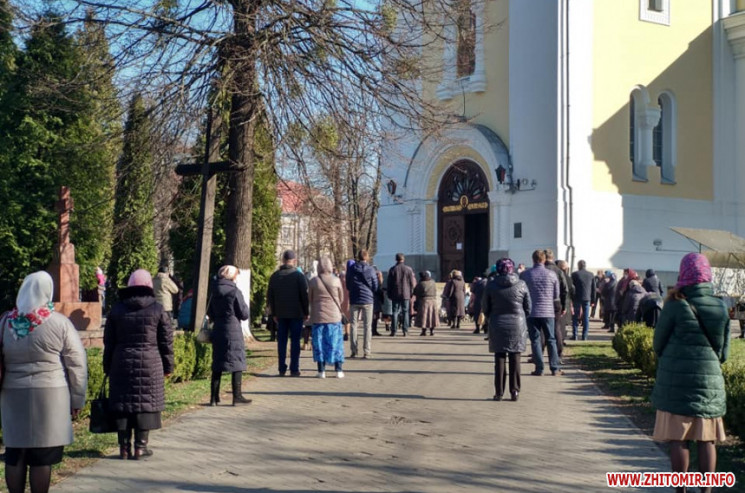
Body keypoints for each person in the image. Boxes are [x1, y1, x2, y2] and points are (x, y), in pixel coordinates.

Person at [1, 272, 87, 493]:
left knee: (15, 453)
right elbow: (76, 363)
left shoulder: (4, 323)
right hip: (51, 395)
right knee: (42, 457)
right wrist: (77, 398)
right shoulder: (60, 323)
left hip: (13, 393)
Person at [651, 253, 730, 493]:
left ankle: (681, 491)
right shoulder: (720, 306)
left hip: (677, 382)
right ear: (707, 275)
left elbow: (658, 345)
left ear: (683, 273)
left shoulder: (675, 304)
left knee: (679, 439)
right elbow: (724, 355)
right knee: (707, 440)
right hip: (709, 384)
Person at [104, 269, 174, 460]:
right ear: (149, 286)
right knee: (144, 404)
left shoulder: (116, 310)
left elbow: (108, 342)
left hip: (121, 362)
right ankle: (140, 448)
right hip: (150, 362)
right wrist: (168, 366)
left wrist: (107, 366)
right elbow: (166, 342)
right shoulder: (158, 309)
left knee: (123, 405)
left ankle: (124, 448)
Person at [482, 258, 531, 401]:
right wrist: (521, 317)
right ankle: (514, 390)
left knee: (499, 359)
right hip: (517, 324)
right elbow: (528, 307)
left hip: (498, 323)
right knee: (515, 358)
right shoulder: (521, 284)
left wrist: (491, 317)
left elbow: (485, 307)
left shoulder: (491, 285)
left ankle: (499, 392)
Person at [208, 265, 252, 406]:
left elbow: (210, 312)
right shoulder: (234, 291)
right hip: (233, 329)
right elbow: (244, 314)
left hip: (218, 329)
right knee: (237, 362)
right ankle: (237, 397)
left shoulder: (214, 291)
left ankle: (214, 398)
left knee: (217, 363)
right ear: (233, 276)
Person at [267, 250, 310, 376]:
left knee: (282, 341)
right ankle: (294, 368)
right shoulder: (298, 276)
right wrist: (306, 312)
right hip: (296, 313)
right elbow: (304, 296)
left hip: (280, 314)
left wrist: (273, 313)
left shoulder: (275, 276)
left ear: (282, 260)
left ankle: (281, 368)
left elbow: (270, 296)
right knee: (295, 341)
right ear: (294, 260)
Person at [520, 250, 561, 376]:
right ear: (544, 260)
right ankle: (555, 368)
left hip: (531, 312)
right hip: (548, 311)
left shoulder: (525, 275)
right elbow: (556, 294)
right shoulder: (552, 274)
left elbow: (521, 293)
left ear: (533, 260)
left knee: (535, 340)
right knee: (551, 339)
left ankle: (539, 368)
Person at [308, 256, 345, 378]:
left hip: (319, 317)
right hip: (334, 317)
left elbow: (310, 299)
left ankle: (321, 370)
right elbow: (341, 298)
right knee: (336, 343)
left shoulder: (314, 281)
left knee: (319, 344)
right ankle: (338, 369)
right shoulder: (336, 280)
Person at [346, 249, 378, 358]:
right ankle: (366, 351)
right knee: (367, 326)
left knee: (354, 325)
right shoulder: (371, 269)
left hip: (354, 299)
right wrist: (370, 292)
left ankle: (354, 350)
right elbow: (375, 285)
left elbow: (348, 284)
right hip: (368, 300)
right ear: (367, 257)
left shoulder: (351, 269)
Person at [387, 253, 417, 336]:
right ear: (403, 259)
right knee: (405, 312)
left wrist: (389, 293)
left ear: (396, 259)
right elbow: (411, 283)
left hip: (395, 293)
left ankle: (394, 330)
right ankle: (405, 330)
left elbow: (389, 283)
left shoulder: (392, 269)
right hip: (406, 293)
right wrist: (411, 293)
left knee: (395, 312)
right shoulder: (408, 269)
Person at [544, 250, 567, 356]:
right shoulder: (559, 271)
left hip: (544, 302)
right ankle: (558, 351)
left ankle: (538, 353)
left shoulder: (542, 269)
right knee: (556, 327)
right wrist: (563, 305)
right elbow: (565, 289)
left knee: (541, 330)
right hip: (556, 302)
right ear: (552, 258)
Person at [571, 260, 597, 341]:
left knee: (575, 317)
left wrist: (571, 298)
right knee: (586, 318)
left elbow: (572, 288)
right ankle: (584, 336)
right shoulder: (591, 275)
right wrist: (593, 300)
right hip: (587, 298)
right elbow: (593, 289)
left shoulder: (574, 274)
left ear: (579, 265)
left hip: (577, 298)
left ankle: (575, 335)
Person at [413, 271, 439, 336]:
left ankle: (424, 331)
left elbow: (415, 292)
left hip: (424, 301)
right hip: (433, 301)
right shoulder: (433, 282)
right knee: (432, 316)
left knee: (424, 316)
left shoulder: (421, 283)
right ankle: (432, 331)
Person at [371, 267, 385, 336]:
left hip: (373, 299)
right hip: (376, 300)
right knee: (375, 316)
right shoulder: (377, 283)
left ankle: (373, 330)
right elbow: (379, 291)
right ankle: (373, 330)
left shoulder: (372, 280)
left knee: (374, 316)